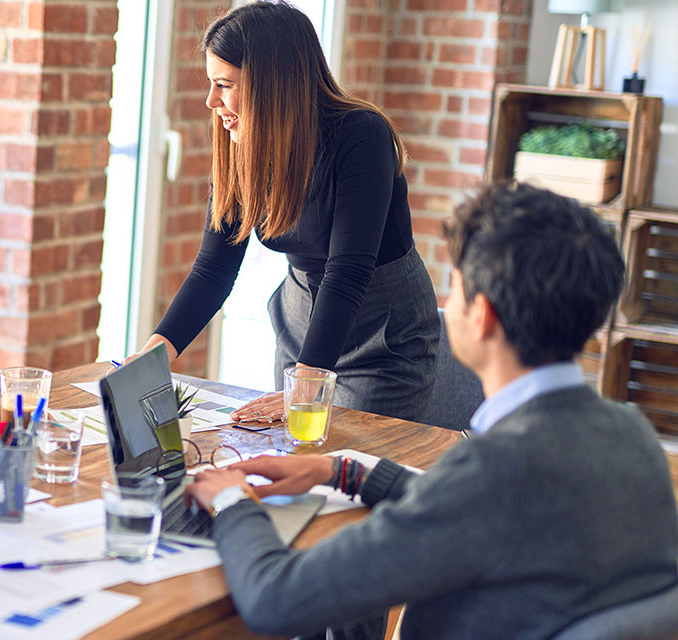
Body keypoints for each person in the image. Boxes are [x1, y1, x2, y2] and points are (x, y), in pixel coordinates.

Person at [185, 182, 678, 639]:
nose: (447, 301)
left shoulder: (492, 469)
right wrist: (343, 472)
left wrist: (232, 503)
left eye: (457, 288)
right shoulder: (631, 434)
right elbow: (485, 508)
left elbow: (276, 599)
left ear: (482, 316)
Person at [140, 2, 438, 423]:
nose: (211, 101)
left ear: (271, 85)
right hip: (302, 328)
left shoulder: (361, 135)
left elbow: (347, 270)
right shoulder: (242, 142)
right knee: (288, 461)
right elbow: (214, 269)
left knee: (346, 468)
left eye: (224, 85)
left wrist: (306, 385)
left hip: (382, 341)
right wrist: (150, 357)